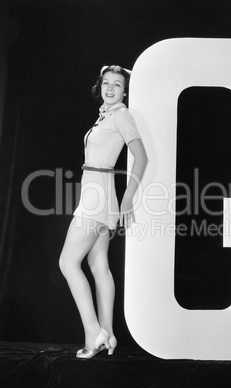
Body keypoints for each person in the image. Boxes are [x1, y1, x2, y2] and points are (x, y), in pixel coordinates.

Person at [59, 65, 148, 359]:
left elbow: (141, 157)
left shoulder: (122, 116)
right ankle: (108, 334)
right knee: (98, 266)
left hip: (98, 197)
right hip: (97, 192)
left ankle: (92, 331)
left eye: (117, 85)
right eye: (107, 84)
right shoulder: (106, 116)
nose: (110, 89)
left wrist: (128, 198)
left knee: (68, 263)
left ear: (125, 91)